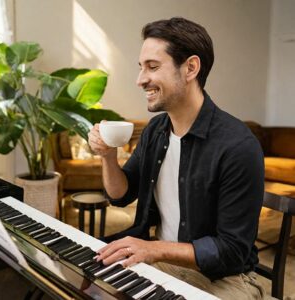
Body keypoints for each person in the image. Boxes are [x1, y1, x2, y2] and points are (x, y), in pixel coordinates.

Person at [88, 17, 265, 299]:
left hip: (226, 278)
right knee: (89, 287)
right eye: (141, 67)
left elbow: (232, 252)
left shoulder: (238, 146)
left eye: (153, 67)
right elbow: (121, 195)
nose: (140, 79)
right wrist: (108, 156)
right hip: (164, 264)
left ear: (190, 68)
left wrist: (154, 248)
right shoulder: (156, 131)